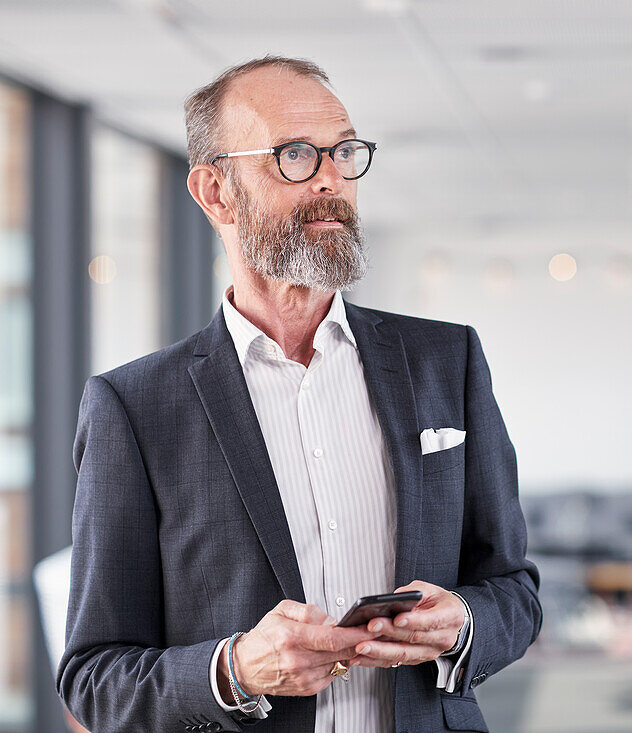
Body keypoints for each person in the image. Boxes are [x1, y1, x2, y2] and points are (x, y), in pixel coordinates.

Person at [58, 56, 541, 733]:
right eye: (293, 154)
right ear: (215, 192)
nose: (331, 178)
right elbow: (94, 679)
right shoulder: (134, 407)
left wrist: (463, 621)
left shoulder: (447, 360)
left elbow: (515, 591)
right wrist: (237, 669)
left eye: (343, 151)